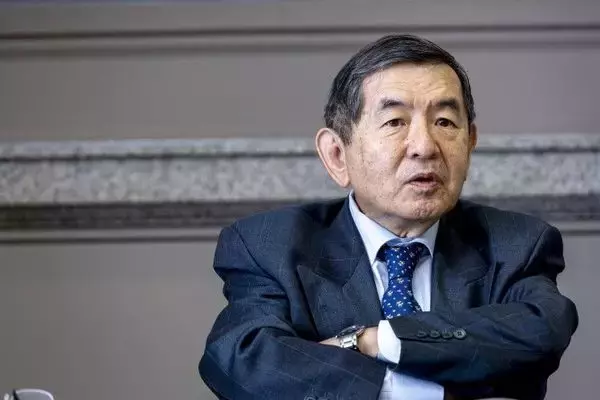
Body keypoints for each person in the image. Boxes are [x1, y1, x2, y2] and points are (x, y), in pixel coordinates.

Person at [198, 34, 578, 400]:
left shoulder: (515, 244)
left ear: (470, 142)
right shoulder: (271, 245)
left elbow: (541, 327)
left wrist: (373, 340)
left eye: (445, 122)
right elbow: (241, 360)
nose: (425, 147)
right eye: (395, 121)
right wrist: (414, 394)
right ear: (337, 155)